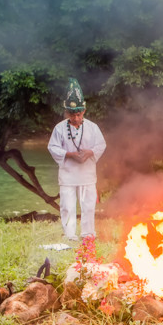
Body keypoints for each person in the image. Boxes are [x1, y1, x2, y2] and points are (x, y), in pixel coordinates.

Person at [48, 78, 106, 241]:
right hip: (68, 174)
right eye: (72, 114)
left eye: (78, 114)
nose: (75, 118)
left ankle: (88, 233)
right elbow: (52, 147)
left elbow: (101, 145)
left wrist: (90, 152)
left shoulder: (93, 127)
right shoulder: (59, 128)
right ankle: (70, 234)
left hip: (87, 173)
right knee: (67, 205)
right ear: (67, 113)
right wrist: (69, 155)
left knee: (88, 204)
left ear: (84, 111)